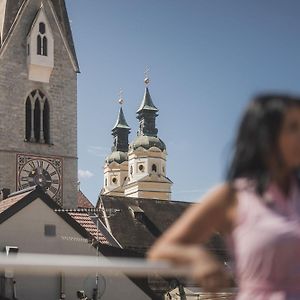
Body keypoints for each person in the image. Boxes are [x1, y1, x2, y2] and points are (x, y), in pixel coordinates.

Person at [148, 94, 300, 299]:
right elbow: (161, 250)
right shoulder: (233, 196)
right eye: (293, 127)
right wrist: (198, 257)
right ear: (267, 136)